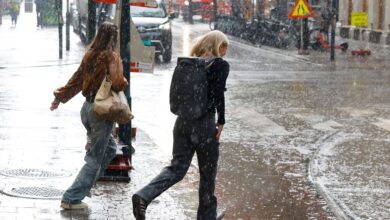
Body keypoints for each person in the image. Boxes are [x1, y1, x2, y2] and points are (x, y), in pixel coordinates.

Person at [132, 30, 230, 220]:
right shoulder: (220, 65)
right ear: (215, 45)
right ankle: (206, 217)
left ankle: (144, 196)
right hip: (205, 124)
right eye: (223, 45)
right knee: (207, 174)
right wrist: (221, 121)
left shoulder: (189, 62)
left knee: (176, 168)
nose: (225, 50)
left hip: (182, 123)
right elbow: (219, 95)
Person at [50, 22, 128, 210]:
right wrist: (122, 77)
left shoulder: (90, 55)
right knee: (94, 159)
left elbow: (76, 80)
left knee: (109, 148)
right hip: (100, 112)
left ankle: (86, 184)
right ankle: (71, 198)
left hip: (87, 109)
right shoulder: (111, 57)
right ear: (113, 38)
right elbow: (118, 84)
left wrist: (59, 98)